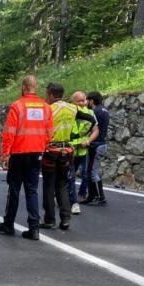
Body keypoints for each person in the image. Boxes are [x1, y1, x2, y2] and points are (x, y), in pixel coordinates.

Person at [0, 75, 53, 241]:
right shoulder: (46, 107)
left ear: (23, 87)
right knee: (32, 190)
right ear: (36, 87)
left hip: (19, 154)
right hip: (36, 155)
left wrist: (5, 155)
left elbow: (9, 133)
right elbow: (50, 133)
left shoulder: (17, 106)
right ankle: (34, 229)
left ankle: (9, 224)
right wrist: (41, 147)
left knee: (14, 189)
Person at [41, 82, 96, 231]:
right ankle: (65, 218)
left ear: (51, 94)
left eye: (47, 94)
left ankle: (49, 219)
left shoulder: (48, 109)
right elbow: (90, 120)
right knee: (62, 185)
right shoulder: (73, 108)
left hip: (51, 150)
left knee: (49, 186)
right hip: (67, 151)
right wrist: (78, 134)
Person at [68, 91, 99, 215]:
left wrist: (88, 141)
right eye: (79, 101)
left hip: (83, 150)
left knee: (84, 174)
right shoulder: (68, 112)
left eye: (84, 100)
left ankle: (77, 196)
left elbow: (96, 130)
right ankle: (73, 202)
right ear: (73, 101)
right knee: (70, 177)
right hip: (69, 150)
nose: (82, 103)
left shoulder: (90, 113)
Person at [83, 91, 110, 205]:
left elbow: (91, 128)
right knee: (91, 171)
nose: (86, 103)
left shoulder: (95, 112)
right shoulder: (105, 110)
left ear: (91, 101)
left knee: (92, 172)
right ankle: (92, 196)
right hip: (101, 143)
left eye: (87, 100)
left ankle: (100, 197)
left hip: (96, 144)